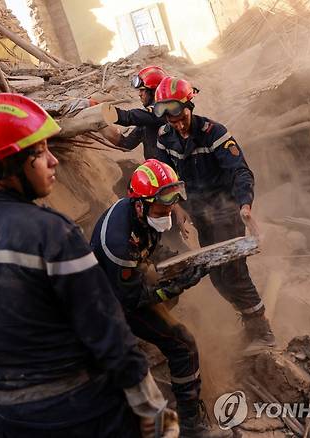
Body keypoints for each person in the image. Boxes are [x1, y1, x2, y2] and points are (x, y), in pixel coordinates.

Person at [0, 93, 177, 438]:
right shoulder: (53, 232)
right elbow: (106, 329)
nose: (53, 160)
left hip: (9, 417)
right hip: (82, 412)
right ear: (10, 163)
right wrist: (150, 408)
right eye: (40, 152)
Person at [91, 159, 231, 438]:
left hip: (122, 285)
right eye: (161, 206)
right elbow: (131, 300)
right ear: (141, 203)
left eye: (171, 204)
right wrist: (178, 284)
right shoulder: (120, 242)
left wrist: (179, 262)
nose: (167, 211)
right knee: (183, 342)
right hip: (108, 304)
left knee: (165, 291)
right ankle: (192, 426)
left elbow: (151, 248)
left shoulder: (140, 214)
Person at [153, 76, 276, 354]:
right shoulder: (165, 138)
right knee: (216, 276)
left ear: (189, 106)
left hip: (225, 211)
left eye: (179, 115)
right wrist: (178, 206)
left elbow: (240, 171)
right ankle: (249, 321)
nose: (176, 123)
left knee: (233, 272)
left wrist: (245, 205)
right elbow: (166, 177)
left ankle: (263, 332)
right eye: (168, 117)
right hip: (200, 214)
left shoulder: (214, 132)